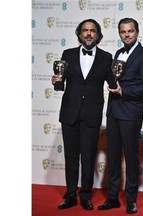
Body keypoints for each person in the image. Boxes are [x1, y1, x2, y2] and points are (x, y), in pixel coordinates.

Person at [51, 19, 114, 210]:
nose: (88, 34)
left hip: (91, 116)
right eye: (85, 30)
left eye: (92, 31)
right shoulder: (67, 54)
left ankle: (85, 195)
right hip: (70, 113)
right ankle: (70, 195)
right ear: (79, 34)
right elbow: (60, 84)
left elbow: (112, 83)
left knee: (88, 158)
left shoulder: (106, 57)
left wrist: (120, 87)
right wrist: (56, 81)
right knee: (71, 158)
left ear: (98, 35)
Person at [97, 17, 143, 214]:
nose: (126, 35)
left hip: (130, 114)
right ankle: (112, 198)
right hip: (113, 111)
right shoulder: (118, 53)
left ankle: (131, 200)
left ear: (137, 32)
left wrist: (123, 91)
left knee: (131, 158)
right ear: (120, 33)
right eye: (123, 32)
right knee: (113, 157)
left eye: (130, 31)